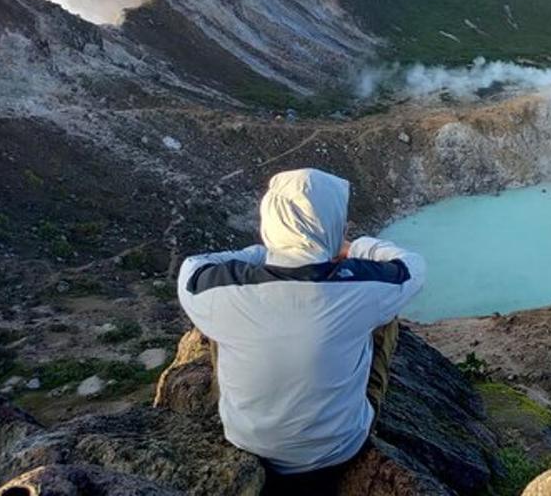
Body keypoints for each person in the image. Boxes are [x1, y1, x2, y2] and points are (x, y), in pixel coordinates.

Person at [177, 168, 425, 491]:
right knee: (383, 315)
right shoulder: (358, 288)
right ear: (330, 222)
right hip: (338, 449)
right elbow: (412, 267)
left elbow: (193, 265)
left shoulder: (217, 291)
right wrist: (353, 247)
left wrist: (263, 252)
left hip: (247, 441)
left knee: (218, 328)